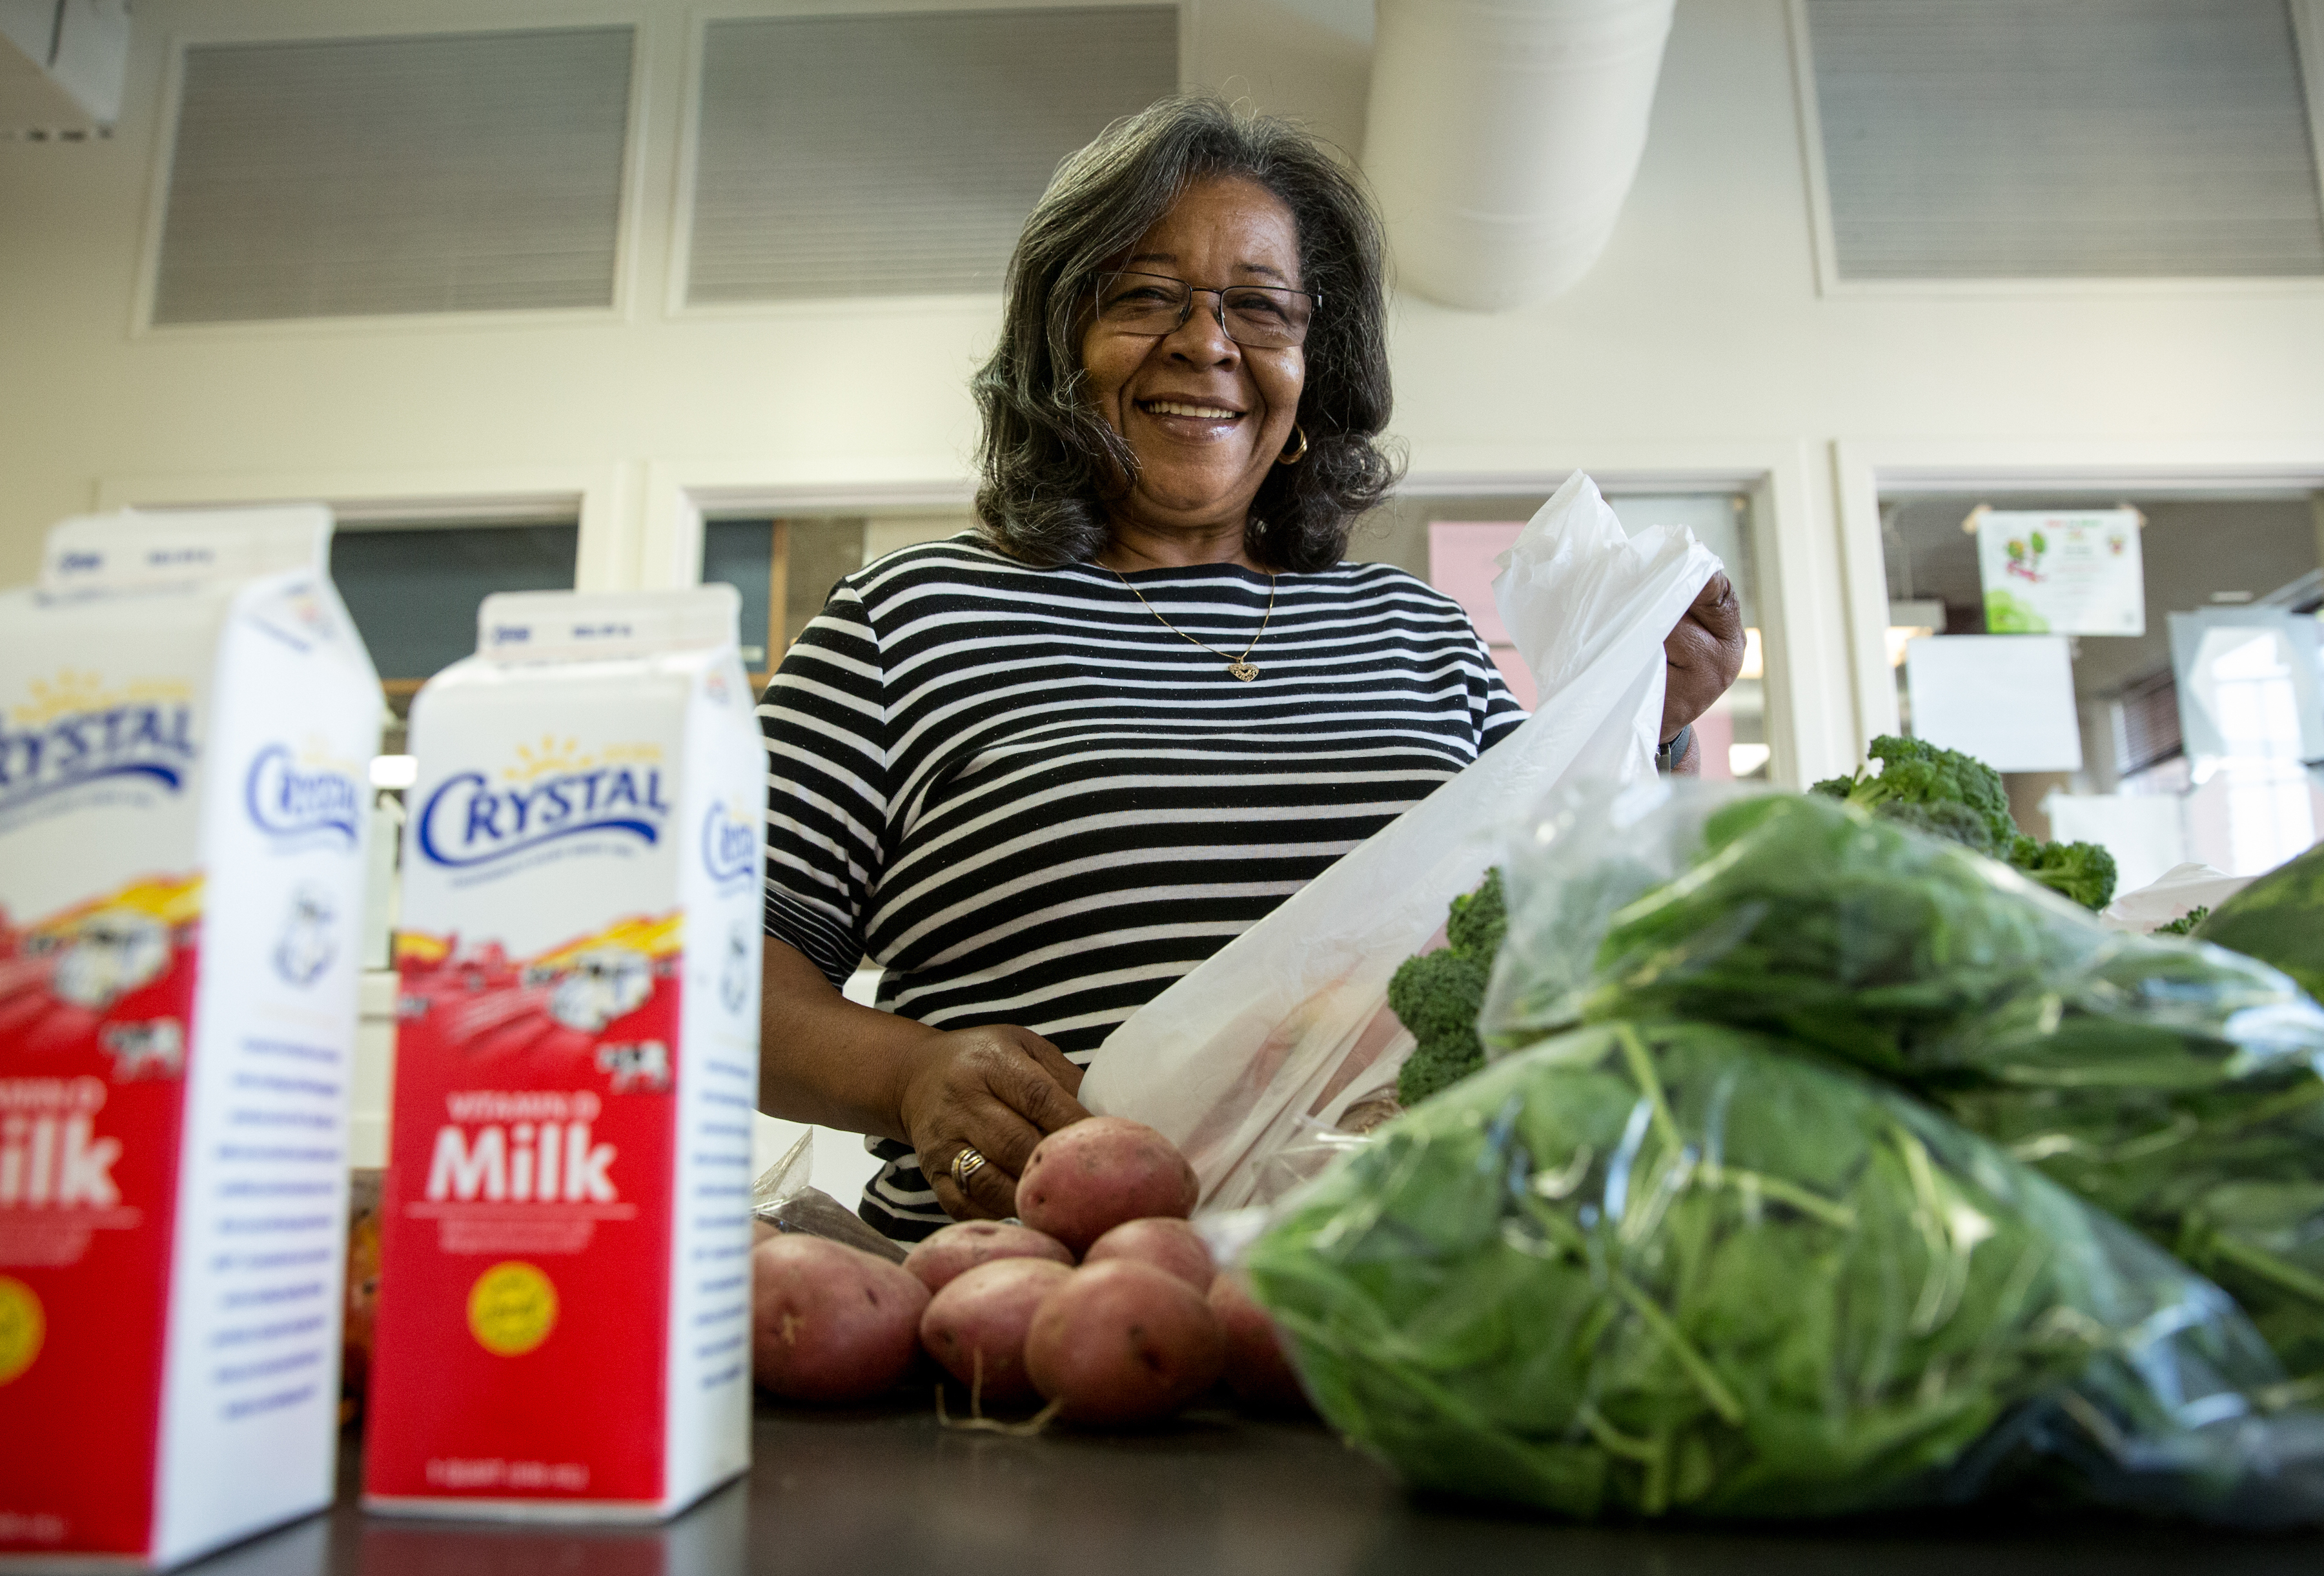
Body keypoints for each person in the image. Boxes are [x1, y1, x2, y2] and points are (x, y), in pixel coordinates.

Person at [756, 96, 1744, 1241]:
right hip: (1017, 1314)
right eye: (1144, 296)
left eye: (1260, 309)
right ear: (1058, 348)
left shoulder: (1422, 633)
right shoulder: (905, 619)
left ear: (1311, 370)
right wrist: (913, 1073)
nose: (1206, 342)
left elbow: (1559, 942)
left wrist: (1649, 729)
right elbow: (714, 979)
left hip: (1393, 1293)